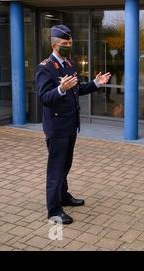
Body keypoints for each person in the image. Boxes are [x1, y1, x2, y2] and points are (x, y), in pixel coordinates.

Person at [36, 24, 111, 224]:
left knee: (65, 165)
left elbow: (77, 89)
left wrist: (95, 84)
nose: (69, 45)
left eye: (70, 42)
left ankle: (63, 196)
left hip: (70, 125)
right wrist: (59, 89)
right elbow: (44, 97)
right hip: (56, 127)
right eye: (64, 43)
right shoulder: (45, 68)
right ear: (54, 45)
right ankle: (53, 210)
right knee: (56, 169)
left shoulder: (69, 64)